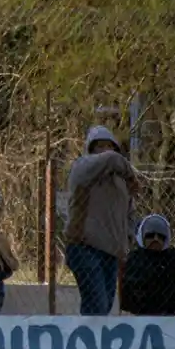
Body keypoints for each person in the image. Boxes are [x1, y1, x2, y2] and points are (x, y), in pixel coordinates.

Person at [64, 125, 137, 315]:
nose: (105, 151)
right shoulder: (82, 168)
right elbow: (110, 160)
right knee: (96, 305)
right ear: (90, 149)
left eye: (109, 146)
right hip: (85, 247)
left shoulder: (120, 183)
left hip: (111, 253)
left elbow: (129, 214)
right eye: (99, 146)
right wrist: (128, 171)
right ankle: (86, 344)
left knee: (103, 309)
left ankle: (93, 344)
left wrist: (127, 239)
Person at [120, 213, 175, 316]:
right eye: (150, 235)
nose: (156, 239)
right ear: (142, 236)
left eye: (161, 236)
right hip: (146, 305)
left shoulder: (172, 257)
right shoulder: (135, 259)